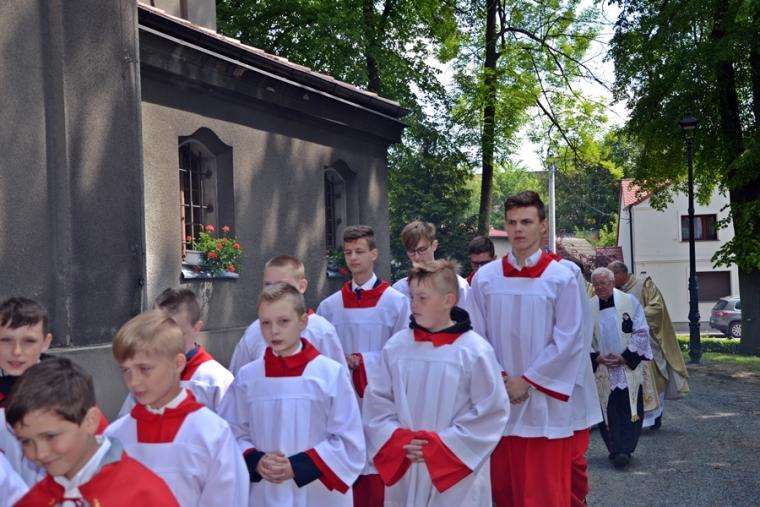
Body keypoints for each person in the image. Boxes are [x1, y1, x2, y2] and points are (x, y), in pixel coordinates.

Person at [467, 191, 585, 507]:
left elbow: (569, 339)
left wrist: (528, 381)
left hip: (545, 405)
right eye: (512, 222)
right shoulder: (485, 279)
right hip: (500, 401)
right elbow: (475, 337)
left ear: (543, 226)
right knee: (503, 493)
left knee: (544, 495)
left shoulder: (561, 277)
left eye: (526, 222)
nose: (518, 229)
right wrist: (502, 378)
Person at [363, 260, 508, 506]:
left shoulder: (474, 350)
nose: (413, 305)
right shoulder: (397, 347)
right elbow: (377, 401)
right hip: (407, 459)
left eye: (422, 298)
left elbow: (491, 412)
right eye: (412, 297)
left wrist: (440, 447)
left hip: (455, 471)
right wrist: (398, 439)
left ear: (448, 300)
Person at [219, 283, 364, 506]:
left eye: (283, 321)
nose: (274, 331)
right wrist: (256, 460)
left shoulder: (329, 375)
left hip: (316, 494)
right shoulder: (247, 378)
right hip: (264, 492)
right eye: (265, 323)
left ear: (303, 322)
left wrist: (297, 467)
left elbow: (350, 441)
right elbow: (230, 432)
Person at [105, 309, 249, 507]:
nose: (134, 381)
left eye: (144, 369)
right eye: (126, 370)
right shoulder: (116, 436)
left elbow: (229, 499)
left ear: (178, 363)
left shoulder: (211, 434)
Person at [316, 225, 410, 507]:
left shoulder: (396, 303)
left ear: (374, 254)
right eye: (348, 252)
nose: (353, 258)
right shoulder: (329, 307)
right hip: (345, 399)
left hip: (381, 399)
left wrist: (363, 360)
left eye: (359, 251)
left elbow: (403, 353)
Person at [7, 357, 178, 506]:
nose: (40, 453)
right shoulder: (35, 500)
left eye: (51, 436)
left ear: (90, 421)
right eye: (26, 441)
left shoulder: (144, 496)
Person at [0, 297, 108, 486]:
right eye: (6, 340)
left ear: (45, 342)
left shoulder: (67, 387)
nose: (16, 351)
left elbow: (100, 448)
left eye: (28, 341)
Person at [117, 288, 233, 415]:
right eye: (158, 332)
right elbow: (126, 421)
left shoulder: (216, 381)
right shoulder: (143, 375)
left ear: (196, 328)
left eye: (177, 333)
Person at [229, 255, 347, 374]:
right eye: (268, 285)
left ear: (302, 286)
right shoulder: (254, 331)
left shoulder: (322, 331)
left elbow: (338, 376)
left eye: (283, 285)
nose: (274, 290)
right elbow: (238, 377)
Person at [546, 253, 602, 506]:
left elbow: (581, 329)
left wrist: (570, 375)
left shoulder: (567, 272)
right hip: (532, 386)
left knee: (571, 455)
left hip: (568, 383)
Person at [608, 261, 689, 429]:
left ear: (620, 274)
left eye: (611, 277)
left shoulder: (644, 285)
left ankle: (656, 416)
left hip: (647, 341)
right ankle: (632, 417)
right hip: (623, 344)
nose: (609, 281)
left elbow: (656, 308)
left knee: (653, 380)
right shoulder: (614, 291)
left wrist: (634, 316)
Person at [589, 268, 653, 468]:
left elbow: (641, 331)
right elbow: (582, 338)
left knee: (629, 407)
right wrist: (597, 357)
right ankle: (614, 448)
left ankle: (625, 449)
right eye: (596, 284)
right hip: (603, 368)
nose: (600, 287)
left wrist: (625, 357)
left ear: (612, 282)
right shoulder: (588, 307)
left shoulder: (629, 302)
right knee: (608, 409)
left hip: (626, 367)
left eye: (603, 283)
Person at [392, 220, 469, 304]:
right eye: (411, 251)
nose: (417, 257)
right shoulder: (399, 290)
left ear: (434, 245)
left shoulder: (457, 285)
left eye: (422, 249)